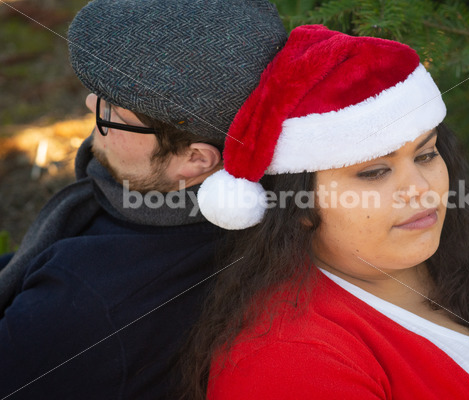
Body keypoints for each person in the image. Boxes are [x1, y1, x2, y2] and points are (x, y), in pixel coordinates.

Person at [181, 25, 469, 399]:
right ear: (300, 205)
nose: (421, 191)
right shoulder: (288, 362)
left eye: (426, 154)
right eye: (374, 172)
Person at [0, 0, 287, 399]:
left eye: (113, 109)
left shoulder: (82, 305)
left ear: (194, 159)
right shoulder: (264, 210)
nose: (89, 104)